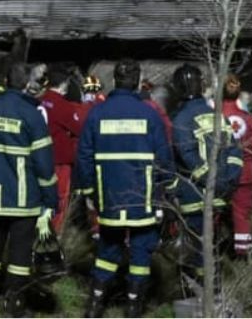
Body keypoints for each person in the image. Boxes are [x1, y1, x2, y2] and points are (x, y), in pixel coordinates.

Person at [76, 58, 174, 319]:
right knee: (141, 251)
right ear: (138, 81)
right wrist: (167, 190)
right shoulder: (149, 113)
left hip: (108, 198)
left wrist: (89, 192)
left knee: (108, 250)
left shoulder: (97, 113)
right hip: (142, 198)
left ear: (115, 80)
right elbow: (164, 158)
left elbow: (84, 156)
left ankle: (95, 306)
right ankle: (134, 308)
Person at [0, 62, 59, 316]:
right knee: (20, 250)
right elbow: (44, 164)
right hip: (22, 198)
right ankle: (14, 303)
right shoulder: (31, 115)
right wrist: (51, 199)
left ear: (5, 81)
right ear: (27, 84)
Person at [170, 64, 243, 285]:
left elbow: (189, 159)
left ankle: (204, 288)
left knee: (197, 245)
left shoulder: (181, 120)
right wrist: (229, 181)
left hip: (195, 195)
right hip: (221, 193)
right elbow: (234, 152)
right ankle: (213, 282)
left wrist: (213, 183)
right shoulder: (218, 116)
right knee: (210, 241)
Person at [39, 66, 83, 235]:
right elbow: (78, 128)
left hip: (37, 158)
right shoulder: (63, 105)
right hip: (58, 161)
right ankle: (53, 236)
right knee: (59, 199)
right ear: (64, 84)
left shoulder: (38, 99)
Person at [222, 75, 252, 259]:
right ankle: (243, 252)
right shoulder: (248, 118)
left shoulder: (215, 117)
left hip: (220, 172)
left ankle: (214, 250)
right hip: (245, 172)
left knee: (215, 213)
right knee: (242, 213)